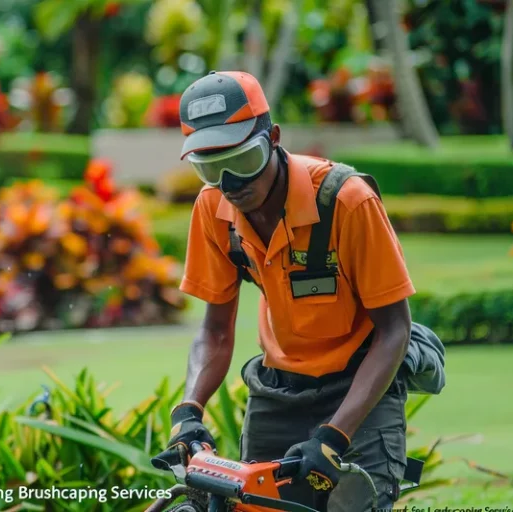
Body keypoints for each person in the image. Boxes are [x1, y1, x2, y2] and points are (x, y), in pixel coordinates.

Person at [164, 71, 418, 511]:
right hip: (278, 391)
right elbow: (216, 332)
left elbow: (395, 330)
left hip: (359, 387)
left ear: (274, 137)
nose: (230, 185)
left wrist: (335, 435)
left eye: (242, 161)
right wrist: (188, 410)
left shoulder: (347, 202)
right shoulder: (213, 210)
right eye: (210, 169)